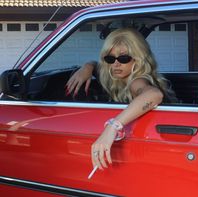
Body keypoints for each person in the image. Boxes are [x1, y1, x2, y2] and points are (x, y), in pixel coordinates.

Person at [66, 28, 174, 170]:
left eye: (123, 58)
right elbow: (98, 67)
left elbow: (154, 94)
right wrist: (88, 66)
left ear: (139, 57)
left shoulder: (138, 81)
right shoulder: (117, 76)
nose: (116, 64)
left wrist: (112, 127)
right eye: (110, 58)